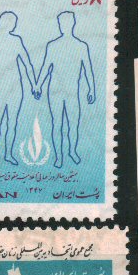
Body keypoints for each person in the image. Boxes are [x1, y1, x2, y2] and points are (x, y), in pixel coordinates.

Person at [32, 11, 96, 171]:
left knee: (73, 124)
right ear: (60, 25)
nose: (64, 26)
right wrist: (38, 85)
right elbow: (46, 68)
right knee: (57, 124)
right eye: (62, 23)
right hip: (55, 92)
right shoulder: (52, 46)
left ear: (73, 24)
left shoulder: (81, 46)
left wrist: (92, 89)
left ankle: (72, 152)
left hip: (73, 92)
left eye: (66, 23)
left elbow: (88, 69)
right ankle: (59, 157)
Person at [0, 10, 38, 168]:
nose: (13, 25)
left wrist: (34, 85)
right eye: (12, 22)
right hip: (0, 90)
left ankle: (8, 154)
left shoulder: (16, 41)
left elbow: (27, 64)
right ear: (7, 24)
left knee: (11, 123)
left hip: (16, 90)